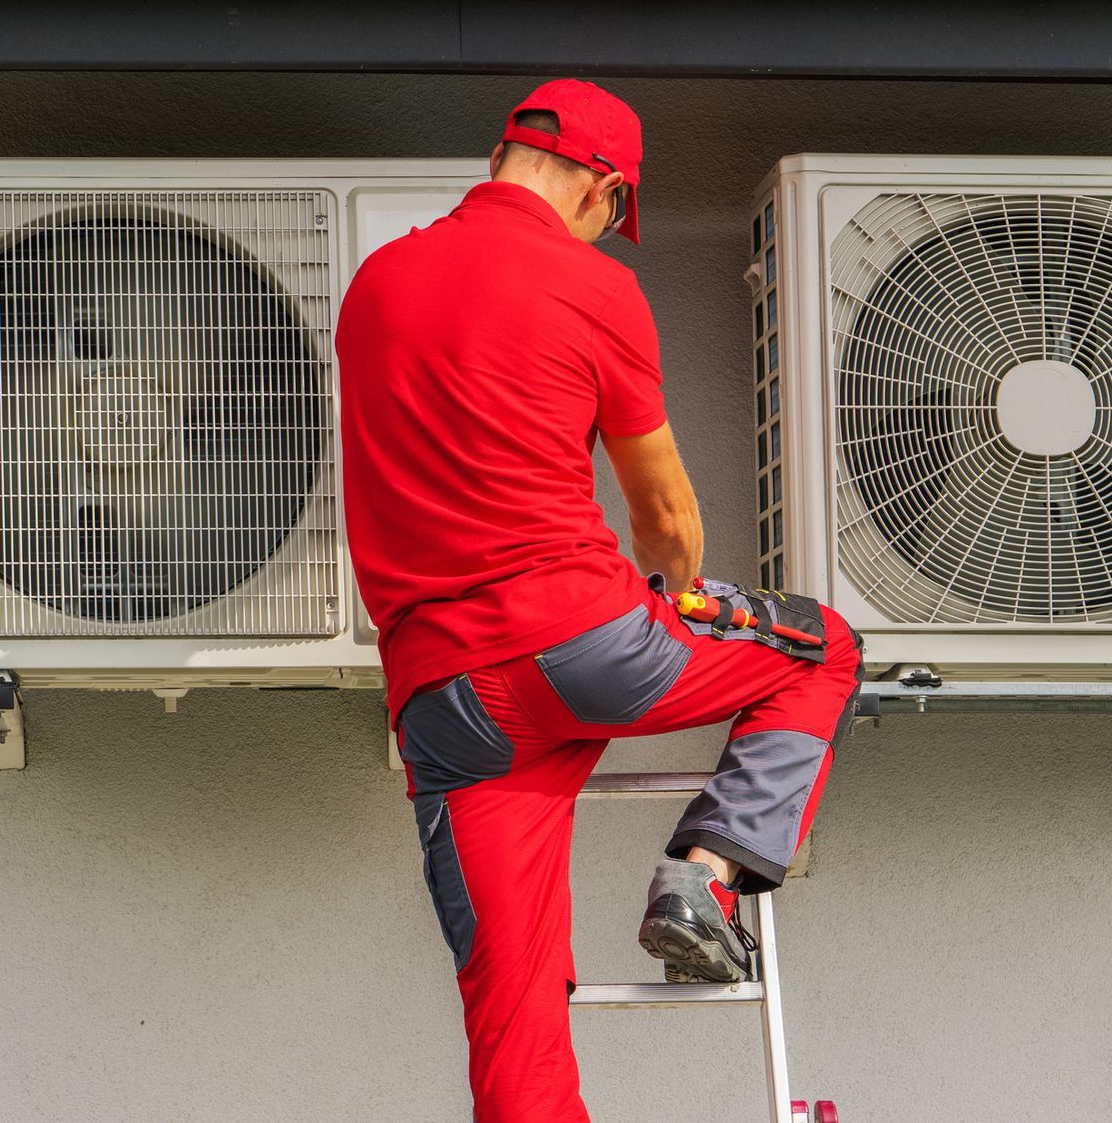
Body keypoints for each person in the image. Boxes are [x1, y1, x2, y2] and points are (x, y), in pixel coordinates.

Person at [335, 79, 863, 1123]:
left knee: (512, 1011)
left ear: (501, 160)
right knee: (825, 650)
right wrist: (680, 593)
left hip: (446, 703)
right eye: (618, 213)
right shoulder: (595, 288)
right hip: (583, 644)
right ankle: (702, 880)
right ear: (604, 190)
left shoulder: (376, 282)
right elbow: (663, 511)